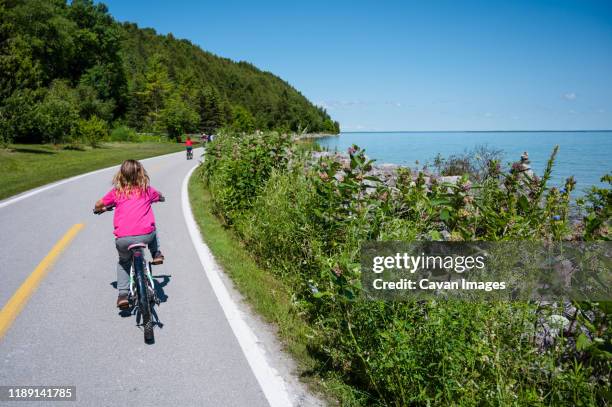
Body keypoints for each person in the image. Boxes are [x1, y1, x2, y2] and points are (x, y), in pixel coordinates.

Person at [94, 160, 165, 309]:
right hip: (146, 236)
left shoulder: (116, 192)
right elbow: (159, 195)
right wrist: (161, 197)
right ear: (141, 173)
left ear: (121, 175)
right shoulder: (147, 190)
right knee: (151, 226)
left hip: (124, 240)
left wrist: (101, 208)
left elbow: (98, 204)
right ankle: (156, 253)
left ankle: (123, 295)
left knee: (124, 262)